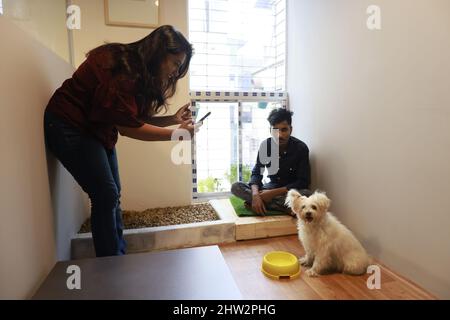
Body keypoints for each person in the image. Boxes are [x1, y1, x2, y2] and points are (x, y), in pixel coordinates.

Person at [43, 25, 195, 257]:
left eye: (180, 67)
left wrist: (172, 120)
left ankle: (116, 257)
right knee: (106, 194)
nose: (176, 72)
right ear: (159, 53)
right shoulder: (123, 67)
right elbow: (127, 128)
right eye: (176, 64)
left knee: (113, 194)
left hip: (96, 129)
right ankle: (111, 263)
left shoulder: (141, 73)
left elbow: (132, 117)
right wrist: (177, 134)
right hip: (68, 124)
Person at [231, 108, 312, 216]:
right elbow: (256, 173)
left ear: (290, 129)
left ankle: (263, 204)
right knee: (236, 187)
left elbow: (303, 182)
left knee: (307, 195)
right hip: (270, 187)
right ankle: (283, 207)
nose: (279, 135)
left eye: (284, 130)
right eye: (275, 130)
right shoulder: (266, 146)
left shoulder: (301, 148)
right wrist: (255, 195)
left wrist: (271, 194)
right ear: (270, 130)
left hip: (290, 192)